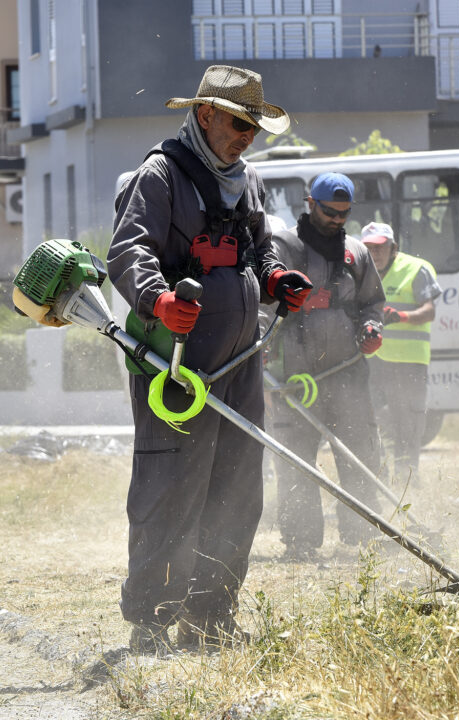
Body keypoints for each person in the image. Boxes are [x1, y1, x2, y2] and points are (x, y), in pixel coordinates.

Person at [108, 65, 312, 654]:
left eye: (254, 125)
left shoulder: (247, 181)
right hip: (175, 363)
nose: (248, 134)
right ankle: (152, 619)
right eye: (238, 121)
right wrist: (158, 297)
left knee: (237, 489)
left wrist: (276, 278)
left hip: (241, 358)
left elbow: (259, 248)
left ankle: (211, 615)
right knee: (171, 487)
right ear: (204, 114)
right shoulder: (160, 175)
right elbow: (128, 249)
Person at [267, 173, 386, 560]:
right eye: (330, 211)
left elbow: (372, 302)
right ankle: (300, 542)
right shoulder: (283, 247)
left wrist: (372, 325)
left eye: (344, 213)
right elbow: (260, 303)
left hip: (348, 372)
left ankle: (362, 536)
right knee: (297, 460)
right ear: (309, 203)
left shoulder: (356, 252)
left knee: (359, 452)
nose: (337, 219)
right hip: (296, 378)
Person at [361, 221, 442, 486]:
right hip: (373, 361)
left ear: (393, 247)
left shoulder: (416, 269)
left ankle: (409, 480)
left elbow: (429, 311)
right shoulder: (360, 271)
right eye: (370, 247)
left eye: (380, 247)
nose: (375, 253)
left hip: (409, 362)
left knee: (408, 422)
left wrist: (402, 316)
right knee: (375, 422)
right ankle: (380, 480)